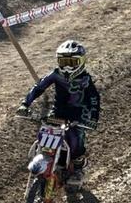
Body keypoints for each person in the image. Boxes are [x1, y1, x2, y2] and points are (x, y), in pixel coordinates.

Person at [16, 40, 100, 187]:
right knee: (46, 136)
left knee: (75, 140)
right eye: (63, 62)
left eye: (72, 62)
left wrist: (92, 118)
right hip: (58, 112)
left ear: (81, 62)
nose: (67, 67)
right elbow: (38, 87)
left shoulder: (85, 80)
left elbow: (94, 99)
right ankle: (46, 159)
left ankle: (78, 170)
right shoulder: (55, 75)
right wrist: (25, 104)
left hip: (78, 115)